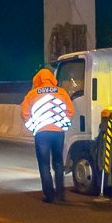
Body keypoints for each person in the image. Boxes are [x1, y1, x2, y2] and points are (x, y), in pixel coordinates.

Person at [20, 68, 75, 203]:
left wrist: (33, 127)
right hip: (58, 133)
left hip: (42, 134)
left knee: (44, 164)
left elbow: (24, 113)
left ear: (37, 79)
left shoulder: (32, 94)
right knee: (58, 163)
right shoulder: (61, 92)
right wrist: (63, 125)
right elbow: (70, 110)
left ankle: (49, 196)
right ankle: (60, 194)